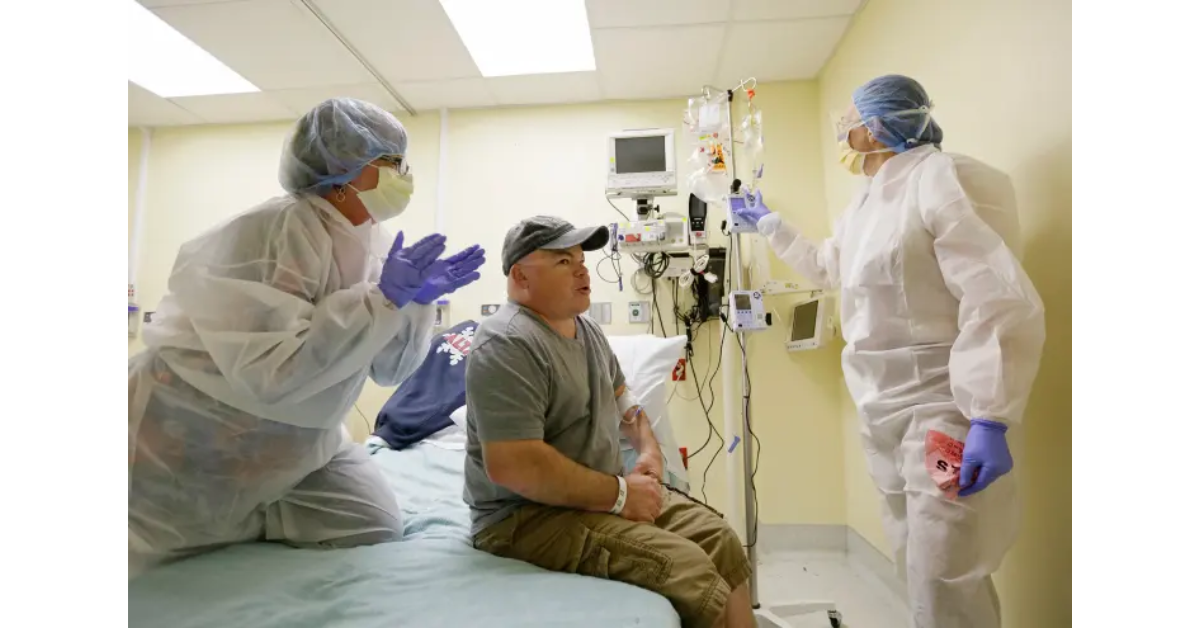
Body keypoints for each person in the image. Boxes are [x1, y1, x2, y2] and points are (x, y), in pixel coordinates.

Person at [733, 75, 1045, 628]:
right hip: (879, 405)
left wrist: (989, 416)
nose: (844, 131)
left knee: (943, 569)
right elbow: (831, 267)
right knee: (912, 556)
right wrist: (771, 225)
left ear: (876, 127)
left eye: (851, 119)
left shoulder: (941, 179)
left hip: (941, 406)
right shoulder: (865, 204)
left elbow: (994, 295)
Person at [127, 98, 486, 579]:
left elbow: (388, 368)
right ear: (342, 168)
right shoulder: (281, 227)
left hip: (301, 439)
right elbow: (273, 369)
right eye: (391, 163)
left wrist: (413, 303)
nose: (404, 174)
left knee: (371, 523)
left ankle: (248, 516)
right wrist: (382, 300)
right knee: (160, 553)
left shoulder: (370, 238)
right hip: (196, 427)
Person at [463, 216, 754, 628]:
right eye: (564, 261)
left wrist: (649, 449)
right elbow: (513, 464)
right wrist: (620, 495)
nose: (583, 269)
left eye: (581, 258)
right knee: (689, 567)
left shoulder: (588, 332)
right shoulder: (507, 343)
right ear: (520, 276)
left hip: (596, 496)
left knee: (720, 540)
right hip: (524, 518)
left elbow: (626, 402)